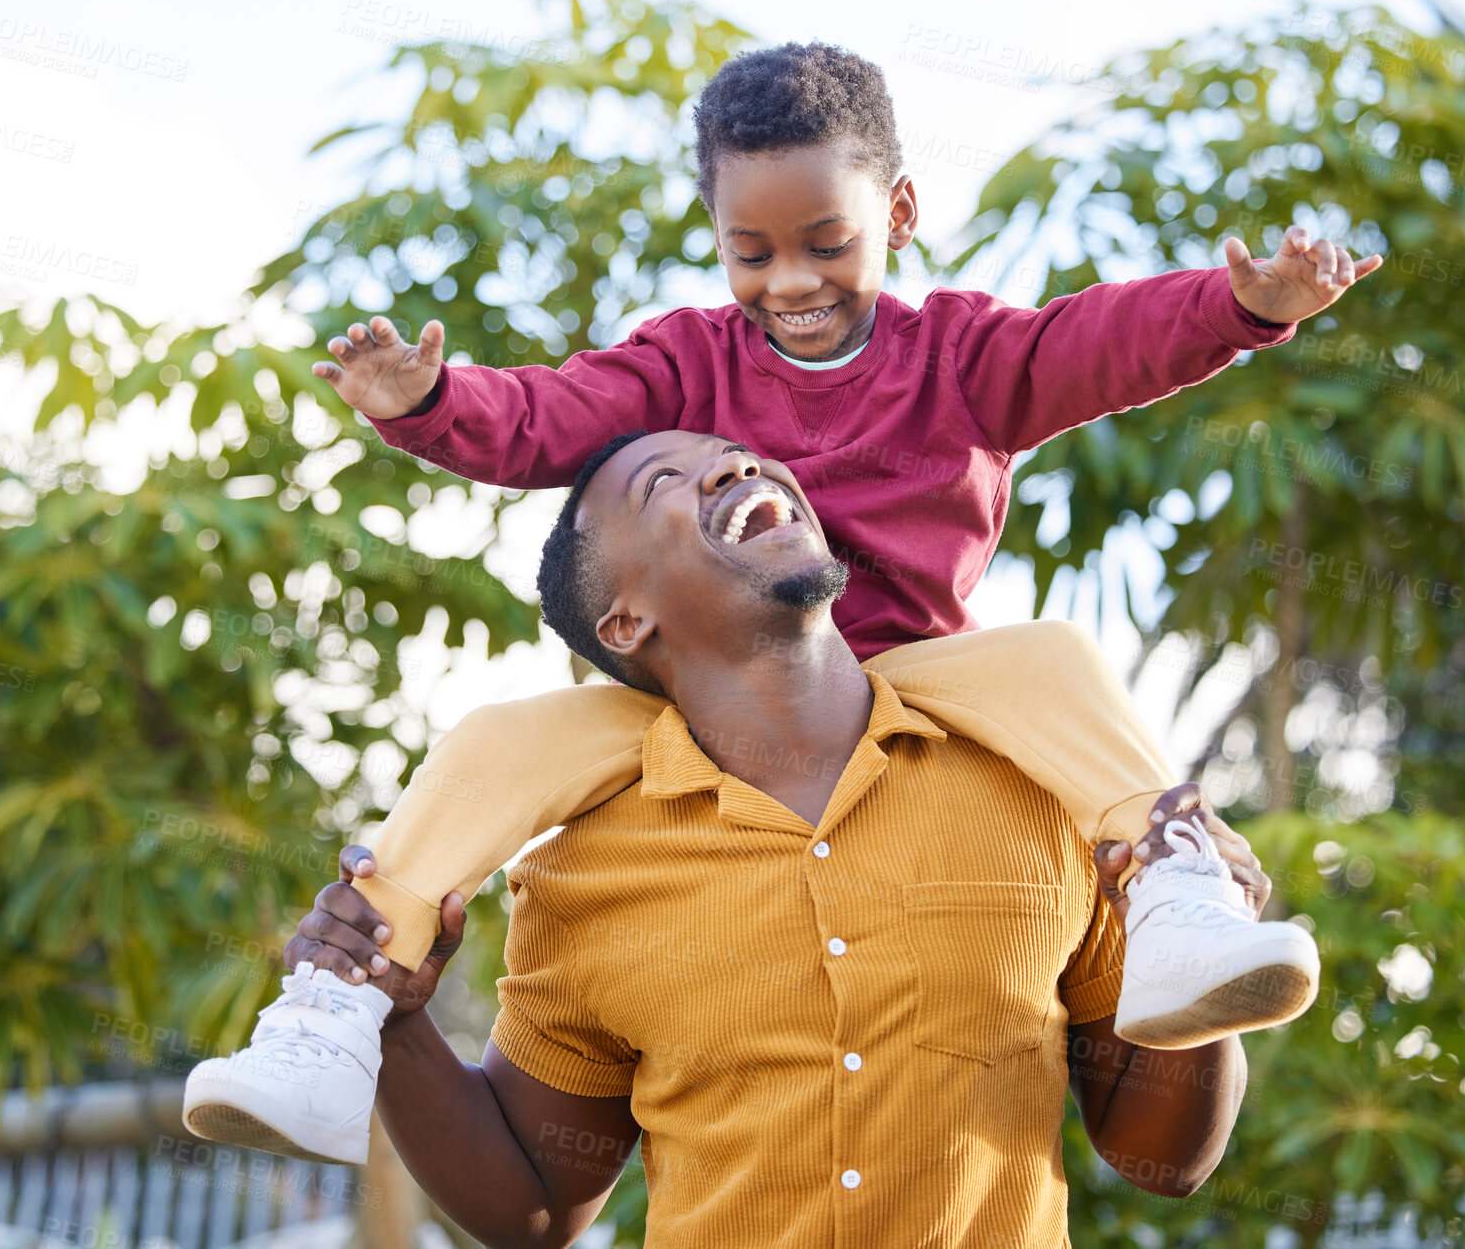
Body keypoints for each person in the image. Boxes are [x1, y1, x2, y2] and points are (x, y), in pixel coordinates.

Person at [183, 40, 1372, 1164]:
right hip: (704, 703)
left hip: (912, 677)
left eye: (823, 241)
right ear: (715, 236)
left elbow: (1099, 339)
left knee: (1051, 651)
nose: (789, 280)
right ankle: (336, 1010)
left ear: (896, 216)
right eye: (750, 252)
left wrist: (1244, 309)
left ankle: (1170, 887)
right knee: (498, 739)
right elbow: (547, 417)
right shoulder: (681, 362)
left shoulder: (959, 357)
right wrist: (426, 401)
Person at [267, 430, 1279, 1246]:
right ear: (622, 621)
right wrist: (396, 1021)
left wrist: (1203, 963)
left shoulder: (1038, 784)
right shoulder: (579, 872)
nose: (737, 463)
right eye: (666, 477)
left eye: (736, 451)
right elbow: (534, 1207)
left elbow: (1161, 1157)